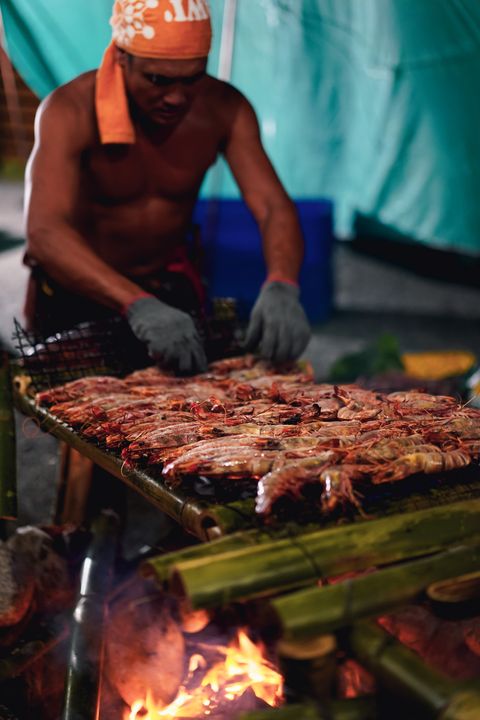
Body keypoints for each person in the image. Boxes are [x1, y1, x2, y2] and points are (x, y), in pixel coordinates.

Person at [24, 0, 311, 375]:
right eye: (158, 80)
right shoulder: (70, 111)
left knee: (187, 414)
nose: (176, 97)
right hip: (79, 291)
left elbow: (273, 206)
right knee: (85, 416)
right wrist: (136, 304)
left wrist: (282, 283)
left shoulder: (224, 108)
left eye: (192, 78)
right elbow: (45, 233)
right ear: (122, 58)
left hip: (165, 284)